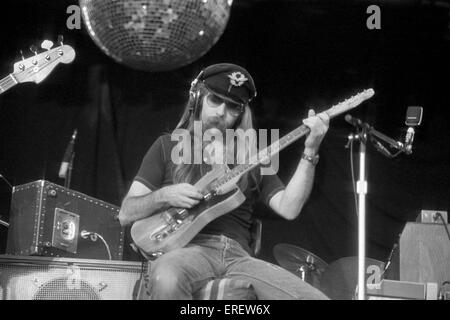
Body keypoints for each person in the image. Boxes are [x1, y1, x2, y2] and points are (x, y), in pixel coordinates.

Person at [119, 63, 330, 300]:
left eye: (232, 107)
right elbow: (126, 213)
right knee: (166, 276)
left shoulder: (252, 157)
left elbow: (289, 208)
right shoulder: (167, 146)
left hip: (238, 256)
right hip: (187, 251)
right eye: (215, 100)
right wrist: (164, 195)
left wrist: (310, 151)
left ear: (241, 114)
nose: (221, 112)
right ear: (197, 98)